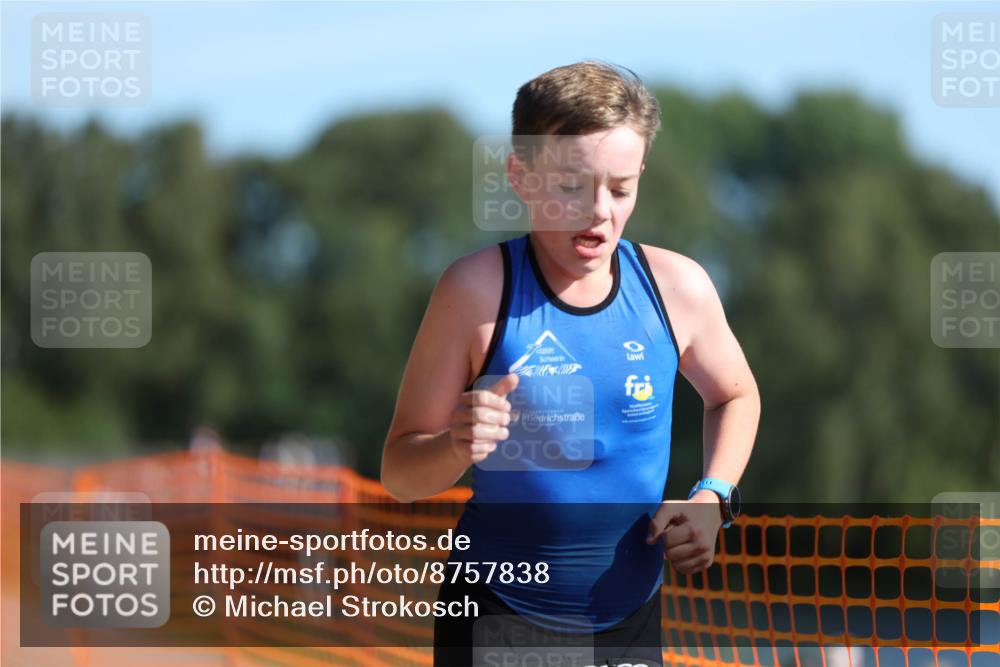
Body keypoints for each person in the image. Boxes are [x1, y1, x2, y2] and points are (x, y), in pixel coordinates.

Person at [381, 60, 760, 667]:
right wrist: (455, 445)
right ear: (521, 177)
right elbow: (400, 475)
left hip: (630, 623)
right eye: (571, 187)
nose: (598, 211)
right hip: (497, 618)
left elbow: (736, 395)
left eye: (620, 189)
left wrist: (712, 496)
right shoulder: (475, 292)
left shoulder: (677, 288)